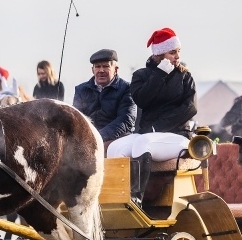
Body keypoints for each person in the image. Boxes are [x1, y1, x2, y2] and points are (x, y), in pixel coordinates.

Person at [107, 28, 197, 205]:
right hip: (147, 133)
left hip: (178, 135)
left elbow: (190, 108)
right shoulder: (141, 75)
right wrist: (159, 75)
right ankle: (117, 200)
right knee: (114, 148)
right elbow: (142, 100)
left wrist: (159, 127)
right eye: (172, 52)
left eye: (178, 52)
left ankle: (136, 199)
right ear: (159, 54)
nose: (177, 56)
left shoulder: (185, 76)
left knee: (143, 142)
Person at [72, 49, 137, 153]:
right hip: (88, 139)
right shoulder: (81, 90)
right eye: (97, 66)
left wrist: (98, 137)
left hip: (118, 139)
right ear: (92, 70)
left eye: (106, 66)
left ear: (116, 69)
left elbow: (126, 120)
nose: (101, 70)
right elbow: (77, 119)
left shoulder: (127, 89)